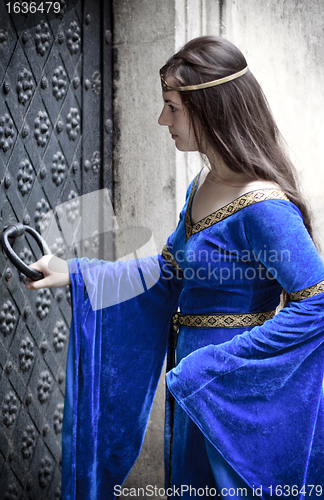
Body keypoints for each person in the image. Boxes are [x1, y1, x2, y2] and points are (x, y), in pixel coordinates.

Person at [26, 36, 324, 500]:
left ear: (209, 108)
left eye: (172, 107)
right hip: (192, 388)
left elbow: (318, 302)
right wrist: (77, 271)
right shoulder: (202, 183)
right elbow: (169, 271)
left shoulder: (265, 207)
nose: (162, 120)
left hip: (235, 398)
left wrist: (215, 364)